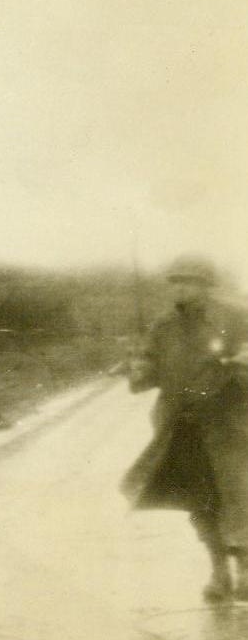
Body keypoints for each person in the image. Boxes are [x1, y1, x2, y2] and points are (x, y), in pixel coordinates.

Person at [122, 254, 248, 602]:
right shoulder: (163, 326)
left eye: (187, 281)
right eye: (175, 281)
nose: (178, 287)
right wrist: (138, 368)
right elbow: (149, 363)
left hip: (229, 423)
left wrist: (239, 362)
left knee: (236, 495)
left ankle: (246, 572)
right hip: (181, 425)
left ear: (206, 285)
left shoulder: (235, 316)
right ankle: (219, 571)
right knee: (199, 500)